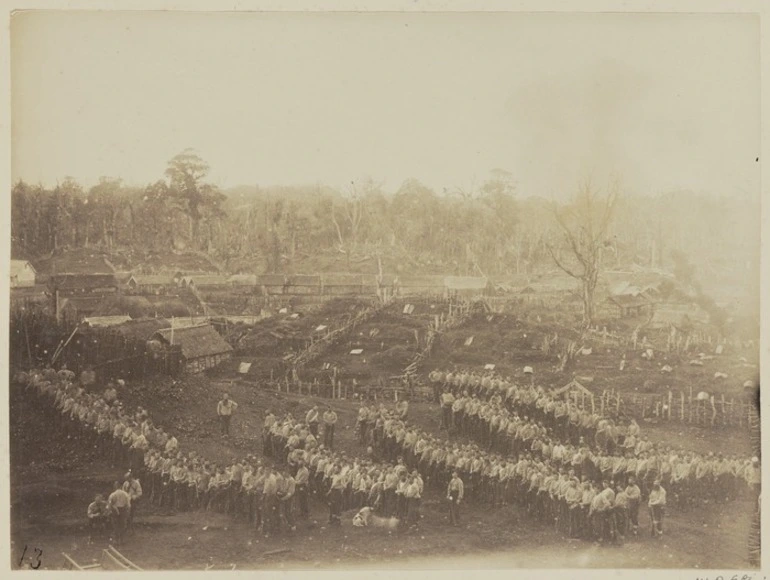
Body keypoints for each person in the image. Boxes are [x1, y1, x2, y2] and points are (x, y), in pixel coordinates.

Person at [107, 481, 131, 547]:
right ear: (120, 486)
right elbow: (128, 505)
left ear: (115, 487)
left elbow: (109, 504)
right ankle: (122, 539)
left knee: (116, 525)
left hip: (115, 510)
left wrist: (109, 510)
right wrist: (127, 511)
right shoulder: (125, 494)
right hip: (122, 510)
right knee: (122, 525)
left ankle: (116, 540)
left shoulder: (112, 494)